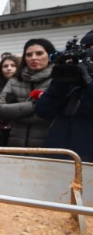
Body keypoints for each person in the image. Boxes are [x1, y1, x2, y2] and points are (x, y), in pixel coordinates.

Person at [35, 29, 93, 161]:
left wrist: (88, 83)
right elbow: (43, 111)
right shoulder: (72, 76)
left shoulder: (86, 79)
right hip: (59, 155)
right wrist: (59, 84)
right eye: (88, 50)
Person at [0, 38, 55, 147]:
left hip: (47, 147)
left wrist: (16, 114)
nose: (34, 58)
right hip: (15, 145)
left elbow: (52, 115)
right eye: (29, 55)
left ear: (50, 55)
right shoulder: (15, 80)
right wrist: (36, 105)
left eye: (39, 53)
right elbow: (0, 109)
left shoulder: (58, 81)